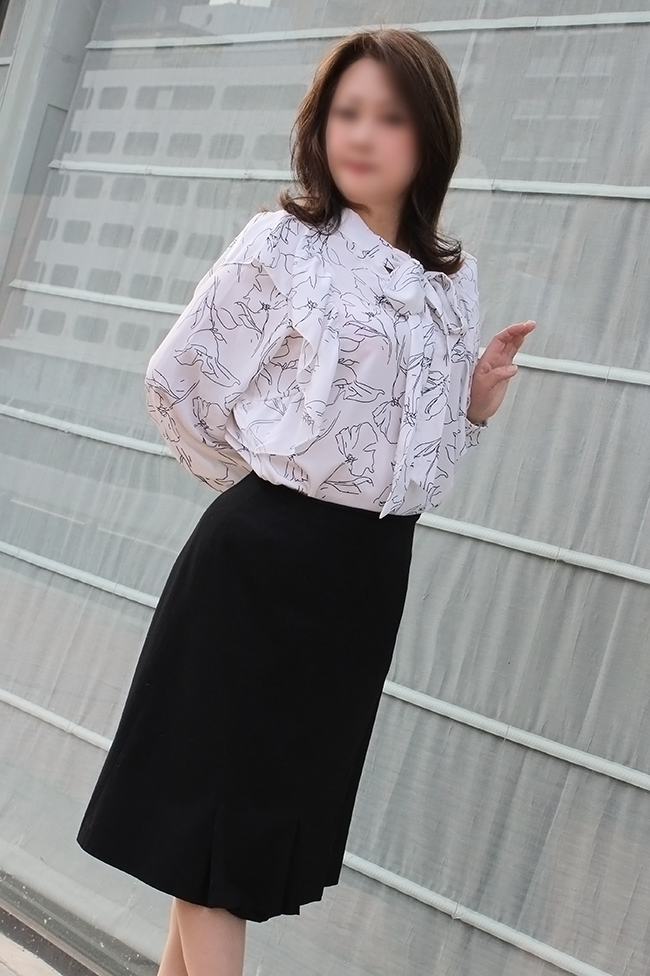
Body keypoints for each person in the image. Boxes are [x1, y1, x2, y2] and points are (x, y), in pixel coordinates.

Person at [75, 26, 535, 976]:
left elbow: (413, 461)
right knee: (210, 839)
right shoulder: (285, 245)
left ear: (431, 135)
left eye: (389, 116)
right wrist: (267, 491)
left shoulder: (454, 283)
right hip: (258, 569)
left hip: (364, 583)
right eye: (345, 112)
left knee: (241, 841)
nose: (360, 134)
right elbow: (178, 380)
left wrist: (473, 408)